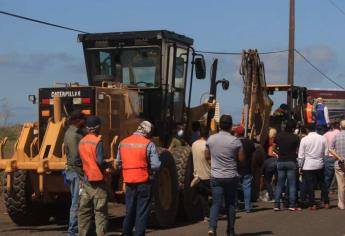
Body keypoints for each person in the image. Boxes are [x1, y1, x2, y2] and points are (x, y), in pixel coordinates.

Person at [117, 121, 161, 236]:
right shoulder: (148, 144)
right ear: (148, 131)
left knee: (129, 212)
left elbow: (118, 164)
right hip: (144, 182)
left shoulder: (123, 143)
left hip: (129, 183)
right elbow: (156, 165)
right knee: (141, 213)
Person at [205, 115, 244, 236]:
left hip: (216, 176)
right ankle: (230, 231)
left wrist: (215, 161)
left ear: (219, 125)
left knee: (216, 203)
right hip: (231, 176)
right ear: (231, 126)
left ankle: (212, 228)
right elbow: (241, 159)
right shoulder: (235, 141)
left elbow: (206, 156)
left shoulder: (211, 139)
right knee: (231, 204)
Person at [78, 116, 110, 236]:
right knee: (100, 211)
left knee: (84, 211)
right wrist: (108, 164)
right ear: (97, 127)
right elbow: (100, 161)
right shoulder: (97, 141)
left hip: (86, 181)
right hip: (97, 181)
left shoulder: (82, 141)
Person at [297, 123, 329, 210]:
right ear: (315, 129)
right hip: (320, 164)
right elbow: (326, 153)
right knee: (323, 184)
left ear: (307, 130)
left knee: (310, 186)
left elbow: (301, 155)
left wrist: (300, 166)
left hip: (308, 165)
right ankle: (326, 202)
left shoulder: (304, 140)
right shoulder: (322, 138)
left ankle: (313, 204)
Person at [63, 110, 85, 236]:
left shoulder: (72, 132)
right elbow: (76, 156)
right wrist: (82, 171)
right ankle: (72, 231)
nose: (84, 122)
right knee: (76, 202)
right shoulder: (73, 135)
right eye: (83, 120)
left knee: (78, 201)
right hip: (76, 173)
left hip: (73, 172)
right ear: (78, 121)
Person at [274, 120, 300, 211]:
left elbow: (274, 147)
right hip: (291, 161)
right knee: (292, 184)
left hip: (281, 161)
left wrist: (279, 152)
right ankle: (292, 205)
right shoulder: (295, 137)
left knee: (279, 184)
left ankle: (276, 205)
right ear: (293, 128)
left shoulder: (279, 136)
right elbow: (298, 150)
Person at [233, 125, 256, 213]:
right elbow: (253, 156)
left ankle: (235, 206)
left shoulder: (234, 143)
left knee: (234, 188)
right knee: (247, 188)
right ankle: (248, 207)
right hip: (247, 168)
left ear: (237, 133)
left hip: (236, 168)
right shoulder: (250, 142)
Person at [191, 126, 211, 220]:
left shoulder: (194, 144)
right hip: (208, 174)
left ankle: (206, 215)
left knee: (203, 197)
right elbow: (210, 159)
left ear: (199, 134)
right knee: (216, 194)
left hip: (197, 176)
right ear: (208, 134)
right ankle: (214, 213)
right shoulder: (207, 144)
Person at [329, 120, 345, 210]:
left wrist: (338, 157)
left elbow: (330, 149)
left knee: (341, 184)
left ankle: (341, 204)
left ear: (340, 126)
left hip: (339, 163)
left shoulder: (336, 136)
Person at [323, 122, 340, 194]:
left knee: (327, 176)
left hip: (328, 156)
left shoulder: (326, 134)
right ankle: (333, 189)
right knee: (338, 175)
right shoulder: (340, 133)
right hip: (337, 156)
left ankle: (326, 191)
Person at [263, 127, 278, 201]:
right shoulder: (275, 141)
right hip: (276, 162)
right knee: (276, 180)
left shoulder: (268, 141)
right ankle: (278, 195)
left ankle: (271, 196)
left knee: (267, 180)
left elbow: (269, 153)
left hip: (269, 161)